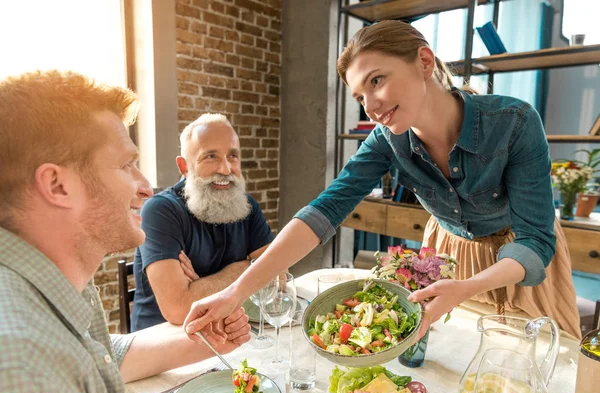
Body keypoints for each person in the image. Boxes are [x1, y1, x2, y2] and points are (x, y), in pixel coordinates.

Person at [182, 20, 581, 342]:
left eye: (377, 81)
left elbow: (536, 241)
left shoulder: (513, 122)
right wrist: (235, 292)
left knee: (534, 366)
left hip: (518, 260)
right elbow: (324, 211)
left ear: (424, 62)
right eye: (359, 96)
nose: (370, 107)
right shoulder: (387, 140)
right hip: (450, 257)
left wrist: (467, 287)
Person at [0, 70, 251, 393]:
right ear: (57, 186)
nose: (146, 187)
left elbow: (102, 354)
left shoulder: (54, 282)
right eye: (126, 165)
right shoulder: (22, 366)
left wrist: (205, 339)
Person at [131, 113, 273, 331]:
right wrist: (249, 268)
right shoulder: (160, 211)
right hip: (164, 344)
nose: (225, 169)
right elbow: (178, 308)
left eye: (233, 156)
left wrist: (198, 286)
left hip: (223, 332)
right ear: (184, 167)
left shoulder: (248, 207)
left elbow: (277, 277)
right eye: (211, 157)